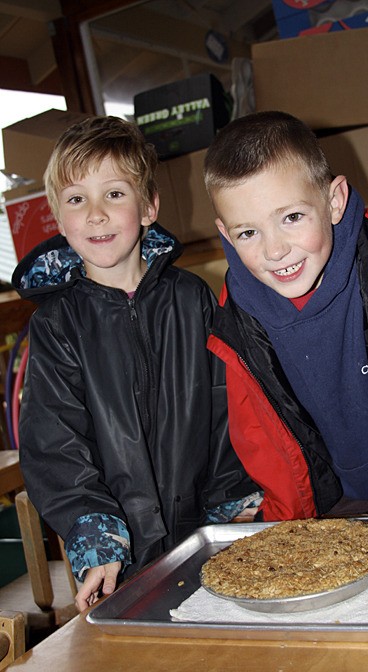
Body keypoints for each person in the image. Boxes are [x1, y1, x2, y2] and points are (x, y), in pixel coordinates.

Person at [12, 115, 258, 611]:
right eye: (77, 199)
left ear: (149, 206)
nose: (96, 215)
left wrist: (235, 498)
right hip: (116, 553)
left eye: (115, 195)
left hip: (204, 533)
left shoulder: (192, 299)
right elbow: (54, 442)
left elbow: (229, 404)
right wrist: (95, 532)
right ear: (59, 218)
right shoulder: (57, 324)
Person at [203, 110, 368, 522]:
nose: (275, 250)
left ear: (334, 202)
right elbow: (259, 437)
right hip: (331, 507)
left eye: (292, 217)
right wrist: (284, 518)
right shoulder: (237, 319)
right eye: (248, 232)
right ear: (226, 234)